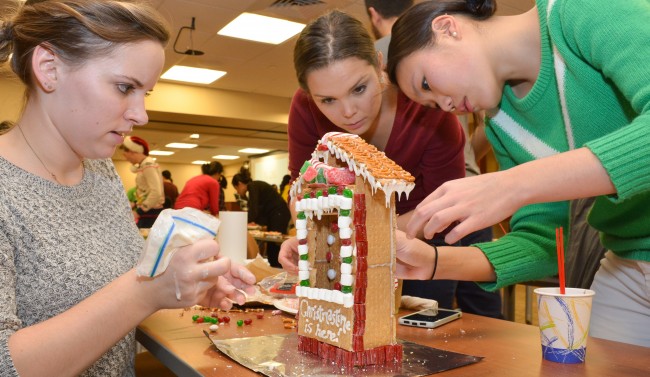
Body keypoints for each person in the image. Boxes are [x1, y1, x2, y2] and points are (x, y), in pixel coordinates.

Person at [0, 1, 256, 375]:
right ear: (49, 68)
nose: (141, 114)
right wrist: (146, 293)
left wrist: (184, 286)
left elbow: (118, 293)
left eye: (145, 94)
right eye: (125, 87)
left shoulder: (102, 173)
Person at [386, 0, 650, 346]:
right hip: (628, 267)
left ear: (447, 28)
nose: (445, 106)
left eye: (427, 83)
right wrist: (433, 261)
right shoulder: (501, 121)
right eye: (432, 104)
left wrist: (513, 184)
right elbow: (542, 241)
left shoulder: (581, 10)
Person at [364, 0, 502, 318]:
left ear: (372, 14)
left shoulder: (383, 59)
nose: (445, 106)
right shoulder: (446, 60)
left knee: (429, 306)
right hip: (466, 195)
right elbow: (483, 128)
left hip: (432, 206)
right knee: (480, 305)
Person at [232, 169, 291, 268]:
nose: (237, 192)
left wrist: (242, 222)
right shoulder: (254, 186)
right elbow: (258, 210)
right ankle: (274, 269)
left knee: (274, 245)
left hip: (279, 214)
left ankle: (279, 269)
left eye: (236, 188)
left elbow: (254, 211)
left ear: (240, 183)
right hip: (276, 214)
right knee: (272, 245)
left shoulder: (253, 186)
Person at [119, 135, 165, 228]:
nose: (126, 158)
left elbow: (156, 192)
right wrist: (135, 203)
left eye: (125, 155)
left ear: (132, 152)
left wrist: (139, 211)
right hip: (148, 211)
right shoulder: (144, 165)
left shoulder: (148, 165)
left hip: (150, 213)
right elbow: (145, 191)